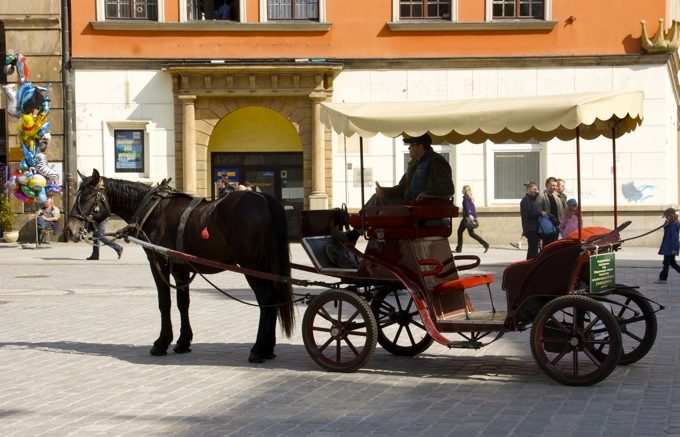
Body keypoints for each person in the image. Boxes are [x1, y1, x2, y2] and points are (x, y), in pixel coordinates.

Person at [337, 133, 454, 244]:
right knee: (378, 198)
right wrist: (386, 192)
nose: (408, 149)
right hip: (410, 206)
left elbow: (447, 188)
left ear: (420, 147)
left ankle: (354, 230)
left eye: (411, 145)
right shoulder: (415, 164)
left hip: (420, 211)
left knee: (378, 208)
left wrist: (427, 193)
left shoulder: (436, 163)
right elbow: (402, 187)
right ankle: (355, 231)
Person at [454, 185, 489, 253]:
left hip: (467, 218)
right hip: (469, 217)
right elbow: (472, 208)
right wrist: (473, 215)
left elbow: (467, 208)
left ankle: (459, 249)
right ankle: (485, 244)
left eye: (462, 189)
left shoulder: (466, 198)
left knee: (460, 231)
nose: (461, 191)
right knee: (471, 233)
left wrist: (470, 215)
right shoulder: (470, 198)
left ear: (464, 190)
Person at [520, 181, 545, 260]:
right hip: (530, 228)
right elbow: (529, 214)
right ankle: (530, 262)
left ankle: (531, 261)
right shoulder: (526, 200)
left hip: (534, 227)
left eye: (537, 189)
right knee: (533, 248)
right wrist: (540, 213)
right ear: (528, 189)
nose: (536, 191)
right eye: (534, 189)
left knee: (534, 248)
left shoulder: (532, 200)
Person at [654, 207, 680, 284]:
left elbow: (674, 237)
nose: (666, 217)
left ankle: (663, 278)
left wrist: (673, 248)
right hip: (668, 247)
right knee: (671, 262)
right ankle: (663, 278)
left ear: (671, 216)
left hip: (670, 247)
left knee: (666, 263)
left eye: (667, 216)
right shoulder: (671, 223)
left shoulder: (673, 225)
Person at [537, 176, 565, 246]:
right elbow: (538, 210)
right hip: (547, 225)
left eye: (555, 185)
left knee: (555, 244)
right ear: (547, 185)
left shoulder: (557, 196)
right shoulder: (541, 196)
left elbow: (561, 209)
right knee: (546, 245)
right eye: (552, 185)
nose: (554, 187)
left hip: (556, 224)